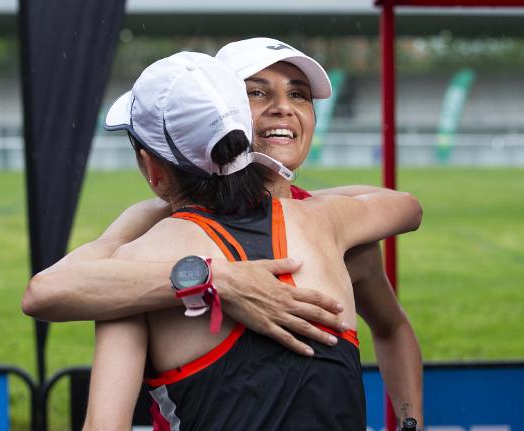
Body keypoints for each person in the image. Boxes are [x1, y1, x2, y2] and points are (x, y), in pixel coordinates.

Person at [22, 38, 423, 427]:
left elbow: (394, 313)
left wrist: (409, 422)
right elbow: (46, 291)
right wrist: (217, 278)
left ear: (152, 167)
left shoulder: (325, 220)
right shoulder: (327, 223)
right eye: (257, 93)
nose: (283, 108)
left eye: (299, 95)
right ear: (221, 110)